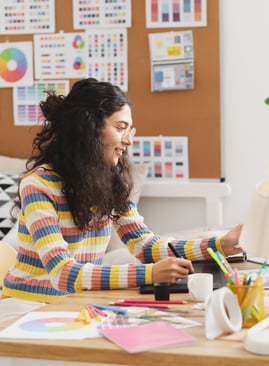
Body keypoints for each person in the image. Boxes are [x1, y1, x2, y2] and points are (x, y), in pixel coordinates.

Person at [0, 78, 243, 321]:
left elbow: (145, 247)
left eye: (130, 130)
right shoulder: (38, 185)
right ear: (89, 129)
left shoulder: (109, 183)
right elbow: (63, 274)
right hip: (28, 306)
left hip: (77, 303)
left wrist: (218, 245)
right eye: (120, 128)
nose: (128, 140)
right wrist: (149, 274)